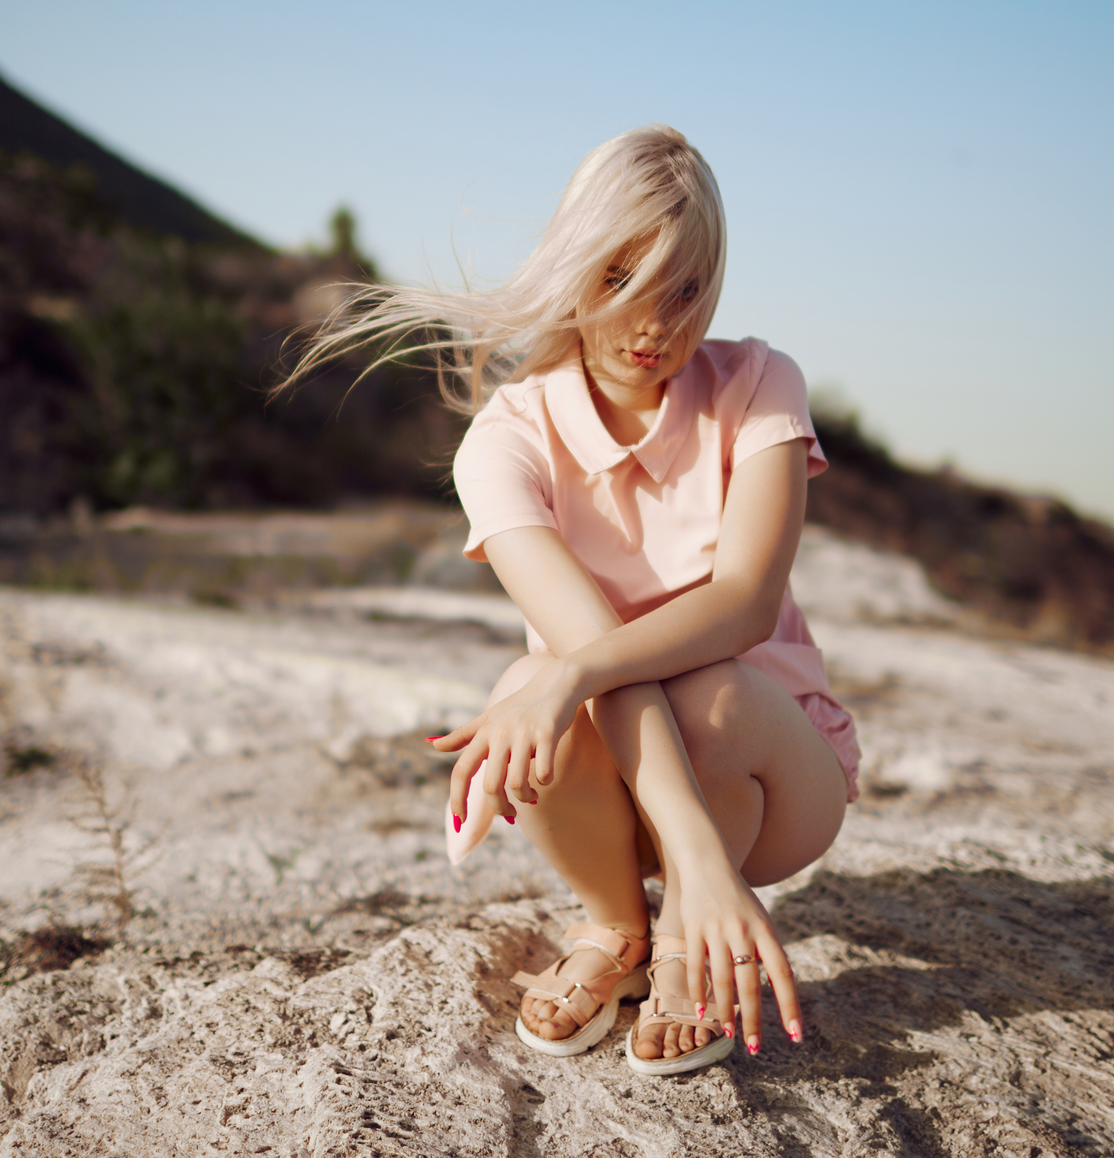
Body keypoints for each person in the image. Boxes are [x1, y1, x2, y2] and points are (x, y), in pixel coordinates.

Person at [290, 125, 861, 1074]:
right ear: (573, 266)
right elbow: (595, 652)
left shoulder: (761, 382)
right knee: (546, 674)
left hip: (768, 771)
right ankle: (618, 924)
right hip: (619, 788)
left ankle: (689, 926)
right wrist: (560, 683)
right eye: (617, 281)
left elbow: (746, 603)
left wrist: (562, 684)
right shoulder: (503, 441)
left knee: (679, 687)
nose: (653, 325)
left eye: (683, 291)